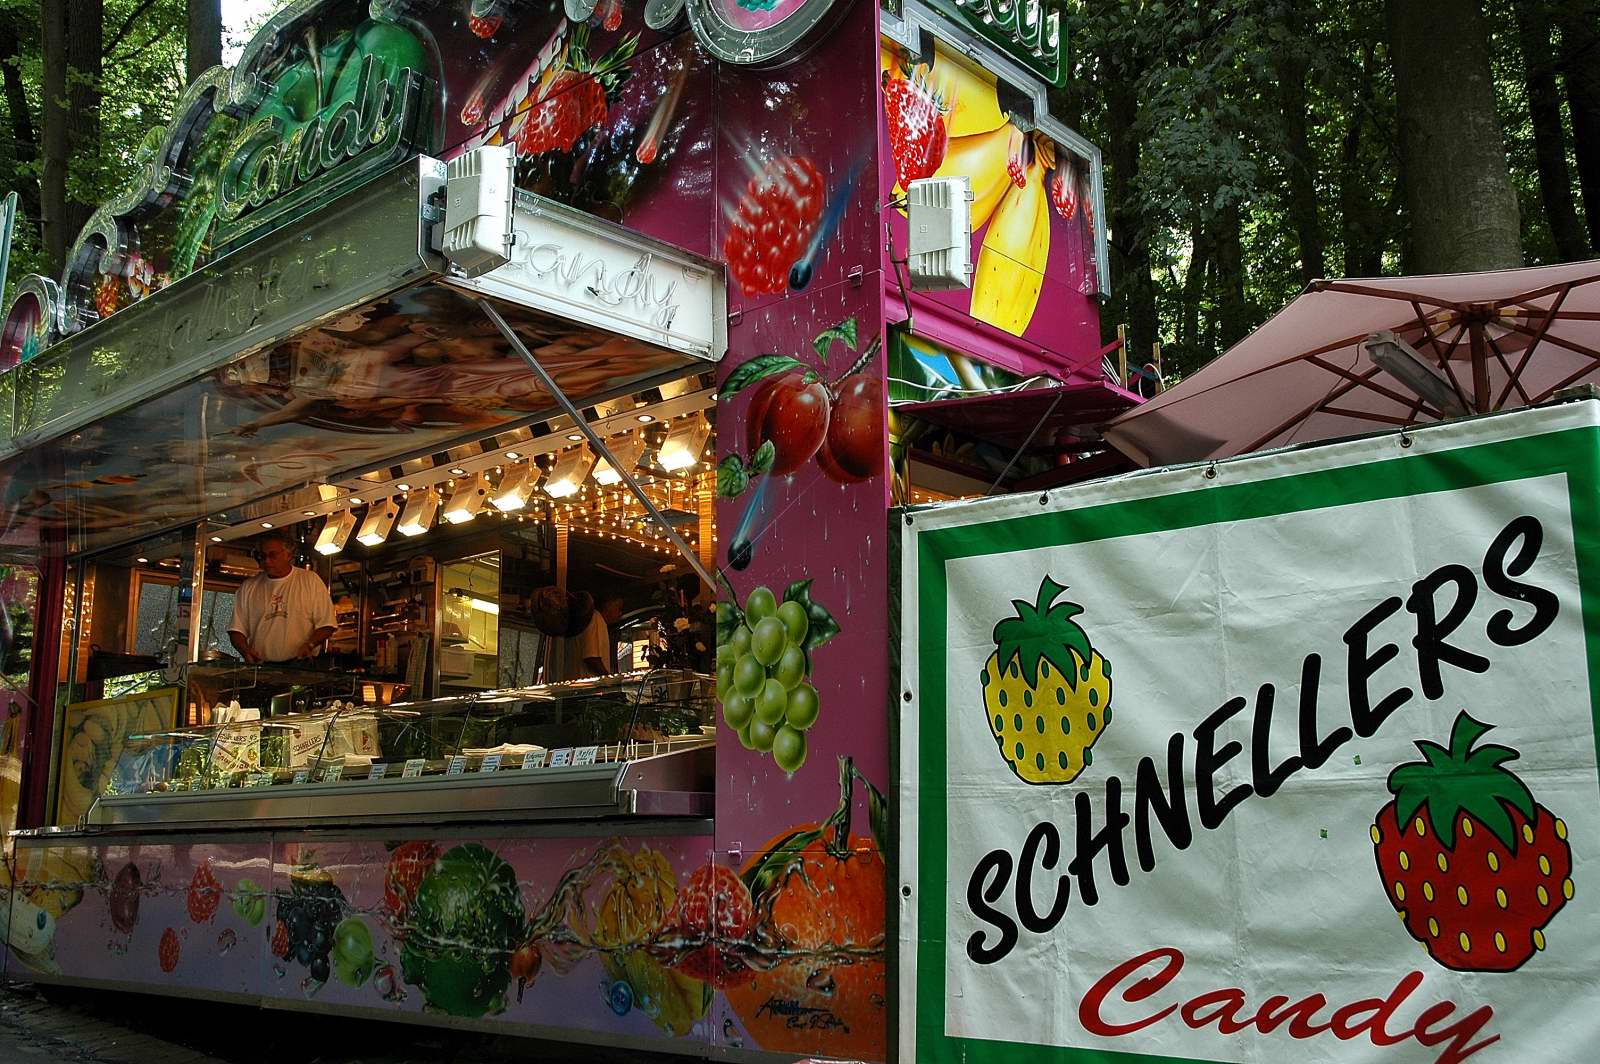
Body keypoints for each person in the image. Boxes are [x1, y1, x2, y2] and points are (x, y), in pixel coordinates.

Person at [227, 531, 336, 664]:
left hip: (300, 665)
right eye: (262, 556)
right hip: (261, 666)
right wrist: (245, 650)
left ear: (289, 555)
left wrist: (310, 645)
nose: (267, 561)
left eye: (273, 555)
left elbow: (327, 624)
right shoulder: (248, 587)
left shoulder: (310, 580)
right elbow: (236, 629)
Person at [562, 593, 625, 679]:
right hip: (587, 684)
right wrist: (609, 679)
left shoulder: (589, 620)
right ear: (608, 605)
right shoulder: (596, 619)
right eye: (619, 608)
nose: (620, 613)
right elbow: (591, 658)